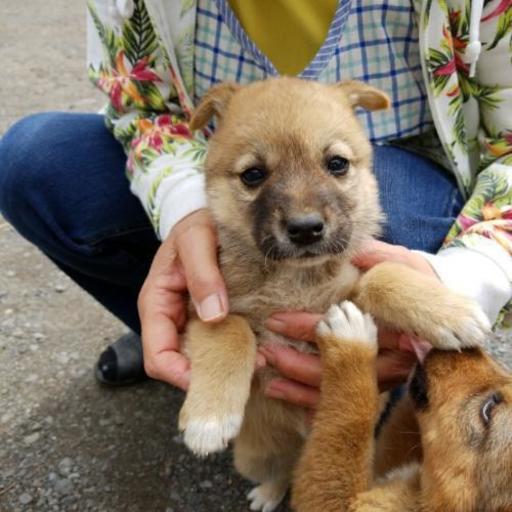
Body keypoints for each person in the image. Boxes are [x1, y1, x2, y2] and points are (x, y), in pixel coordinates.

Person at [0, 0, 511, 411]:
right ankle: (203, 337)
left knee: (387, 202)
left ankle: (376, 371)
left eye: (334, 163)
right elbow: (142, 107)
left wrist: (466, 276)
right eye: (254, 173)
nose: (303, 215)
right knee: (37, 160)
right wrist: (184, 208)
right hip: (211, 168)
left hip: (417, 169)